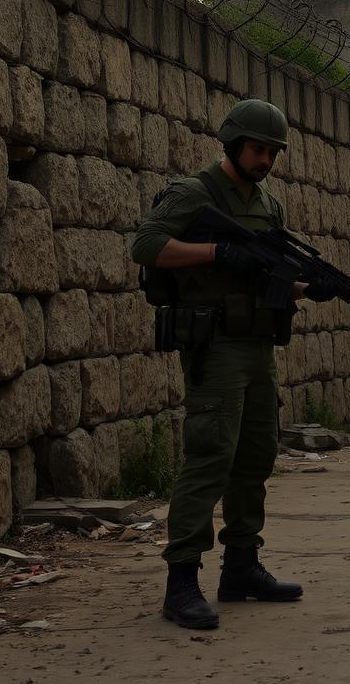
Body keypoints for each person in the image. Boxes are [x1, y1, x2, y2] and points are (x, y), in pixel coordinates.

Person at [131, 98, 330, 631]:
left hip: (258, 345)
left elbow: (266, 277)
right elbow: (146, 246)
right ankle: (182, 580)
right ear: (233, 144)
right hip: (214, 345)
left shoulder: (269, 206)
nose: (266, 159)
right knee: (210, 454)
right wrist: (216, 253)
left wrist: (308, 288)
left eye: (273, 152)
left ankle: (241, 565)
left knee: (257, 455)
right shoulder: (193, 193)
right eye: (258, 149)